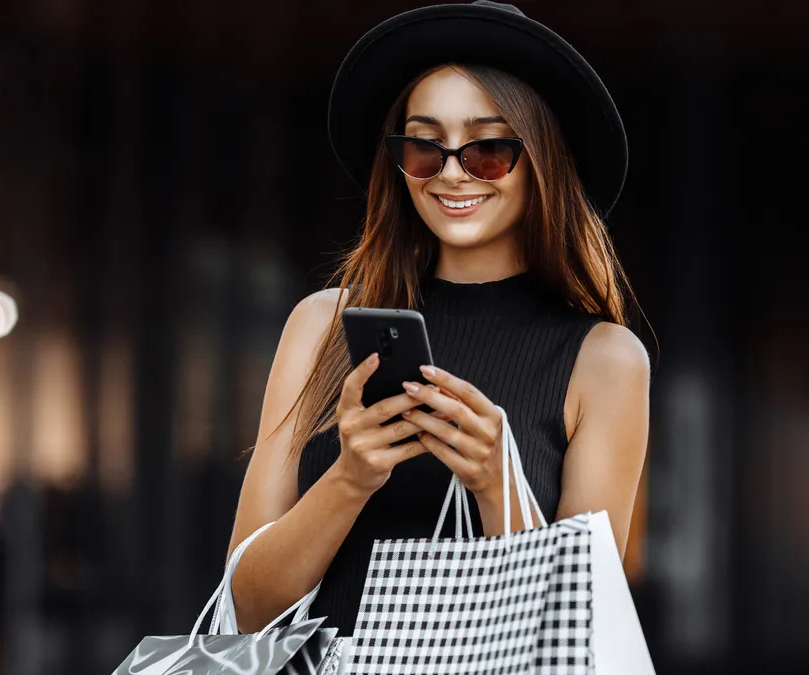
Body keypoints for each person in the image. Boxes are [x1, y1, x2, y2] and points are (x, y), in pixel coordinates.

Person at [226, 0, 650, 636]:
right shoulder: (322, 327)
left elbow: (584, 634)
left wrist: (494, 481)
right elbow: (246, 611)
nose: (452, 173)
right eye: (425, 147)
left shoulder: (604, 360)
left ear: (542, 161)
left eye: (488, 150)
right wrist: (349, 479)